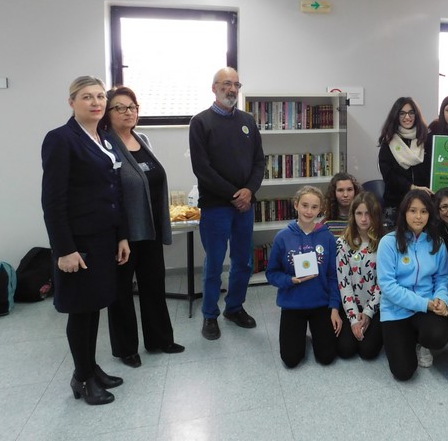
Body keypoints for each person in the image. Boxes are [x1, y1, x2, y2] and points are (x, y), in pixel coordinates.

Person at [41, 76, 130, 405]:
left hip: (104, 238)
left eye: (100, 97)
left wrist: (121, 235)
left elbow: (114, 191)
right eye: (87, 97)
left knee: (95, 306)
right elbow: (53, 201)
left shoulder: (102, 138)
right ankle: (81, 378)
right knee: (81, 310)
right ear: (72, 102)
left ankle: (91, 368)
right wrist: (64, 249)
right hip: (78, 243)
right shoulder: (60, 139)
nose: (96, 102)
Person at [102, 87, 184, 368]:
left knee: (153, 285)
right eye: (120, 107)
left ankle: (160, 339)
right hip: (122, 233)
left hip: (149, 229)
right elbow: (108, 194)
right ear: (108, 113)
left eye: (132, 107)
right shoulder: (104, 145)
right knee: (121, 293)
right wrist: (119, 234)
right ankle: (126, 348)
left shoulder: (142, 139)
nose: (128, 112)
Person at [189, 67, 265, 340]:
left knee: (243, 261)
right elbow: (202, 169)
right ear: (214, 88)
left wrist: (249, 191)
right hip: (216, 207)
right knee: (214, 264)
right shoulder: (200, 122)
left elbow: (259, 162)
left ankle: (234, 307)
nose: (232, 89)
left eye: (236, 84)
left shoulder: (247, 121)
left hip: (245, 206)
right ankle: (210, 315)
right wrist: (236, 195)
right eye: (226, 84)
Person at [377, 189, 448, 380]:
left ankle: (421, 343)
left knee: (438, 336)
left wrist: (441, 298)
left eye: (424, 211)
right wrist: (424, 304)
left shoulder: (437, 242)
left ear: (430, 214)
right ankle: (406, 340)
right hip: (396, 309)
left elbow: (442, 277)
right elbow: (388, 286)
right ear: (404, 213)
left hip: (427, 307)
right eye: (413, 211)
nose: (418, 216)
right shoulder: (388, 243)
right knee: (403, 372)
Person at [266, 186, 341, 367]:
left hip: (320, 304)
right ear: (296, 205)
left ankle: (313, 334)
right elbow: (271, 273)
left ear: (320, 209)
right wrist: (289, 280)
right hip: (292, 304)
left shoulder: (328, 238)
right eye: (305, 205)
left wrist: (334, 308)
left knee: (327, 358)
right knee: (291, 360)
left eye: (314, 207)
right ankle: (300, 337)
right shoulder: (282, 237)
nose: (309, 211)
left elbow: (333, 276)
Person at [335, 192, 384, 360]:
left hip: (376, 307)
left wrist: (369, 313)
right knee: (345, 350)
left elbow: (383, 283)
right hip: (351, 306)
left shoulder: (384, 242)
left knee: (368, 352)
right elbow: (344, 283)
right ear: (353, 215)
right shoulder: (343, 243)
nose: (364, 219)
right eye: (359, 213)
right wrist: (354, 319)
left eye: (368, 214)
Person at [377, 97, 431, 229]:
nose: (407, 117)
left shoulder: (427, 140)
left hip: (423, 204)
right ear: (396, 116)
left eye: (411, 112)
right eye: (402, 113)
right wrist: (412, 187)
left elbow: (432, 170)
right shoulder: (388, 142)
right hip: (395, 204)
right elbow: (388, 175)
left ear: (416, 115)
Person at [321, 172, 361, 237]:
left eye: (349, 189)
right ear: (333, 193)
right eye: (340, 190)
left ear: (355, 191)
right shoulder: (325, 224)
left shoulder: (363, 220)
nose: (345, 195)